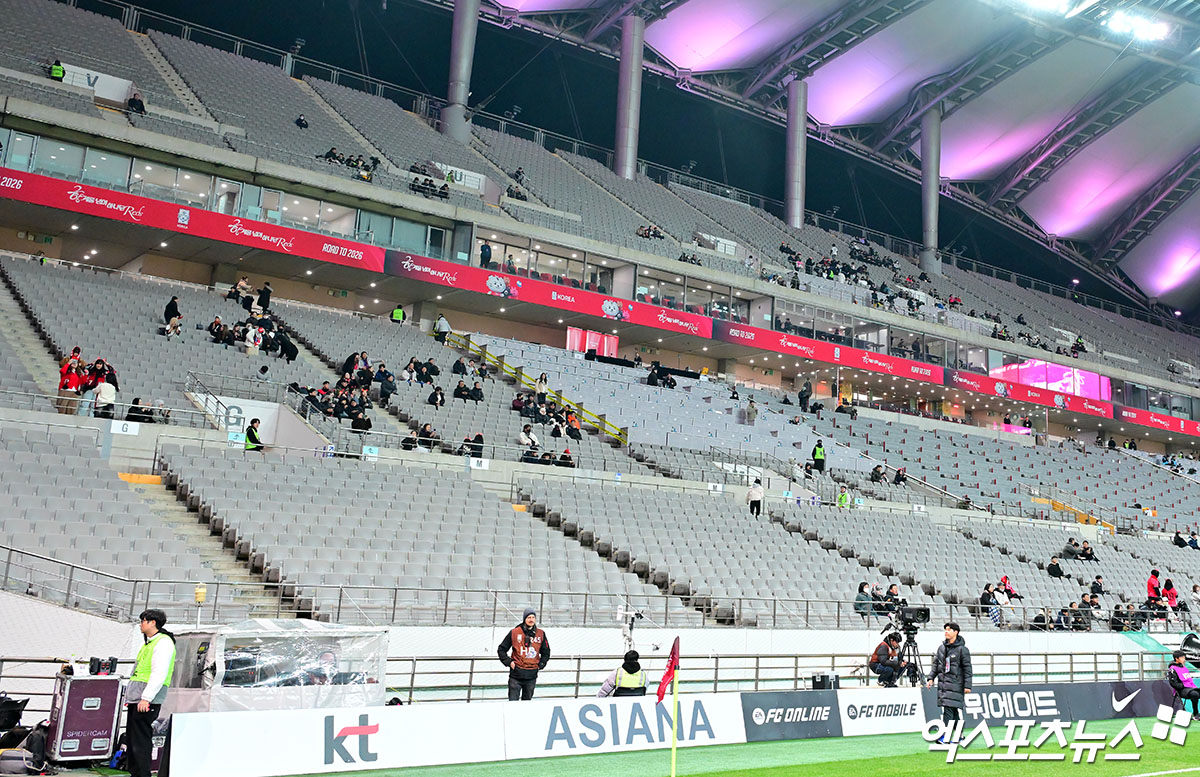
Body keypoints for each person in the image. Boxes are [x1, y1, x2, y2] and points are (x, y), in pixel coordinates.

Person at [125, 609, 176, 777]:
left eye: (143, 621)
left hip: (147, 699)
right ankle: (135, 773)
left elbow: (159, 673)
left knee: (140, 739)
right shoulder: (149, 643)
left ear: (152, 622)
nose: (141, 624)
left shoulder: (163, 642)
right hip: (138, 697)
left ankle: (142, 774)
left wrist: (146, 698)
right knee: (133, 738)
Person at [927, 622, 972, 743]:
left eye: (949, 630)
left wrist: (968, 685)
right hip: (943, 685)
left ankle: (944, 736)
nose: (946, 632)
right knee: (953, 710)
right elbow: (936, 665)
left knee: (948, 710)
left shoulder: (962, 650)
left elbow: (968, 669)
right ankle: (960, 736)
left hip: (956, 685)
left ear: (956, 632)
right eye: (945, 630)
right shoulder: (941, 648)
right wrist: (931, 678)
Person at [497, 608, 549, 701]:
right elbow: (501, 649)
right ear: (524, 619)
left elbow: (546, 652)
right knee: (513, 703)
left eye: (533, 617)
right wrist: (509, 662)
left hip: (531, 675)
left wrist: (541, 664)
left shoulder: (541, 633)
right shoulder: (514, 632)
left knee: (527, 704)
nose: (531, 620)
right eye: (529, 617)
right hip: (516, 675)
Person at [1167, 650, 1200, 721]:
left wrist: (1189, 685)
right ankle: (1196, 714)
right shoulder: (1172, 669)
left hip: (1190, 687)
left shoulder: (1184, 668)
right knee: (1195, 694)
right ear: (1176, 658)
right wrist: (1184, 685)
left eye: (1184, 657)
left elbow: (1189, 679)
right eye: (1182, 657)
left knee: (1196, 692)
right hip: (1181, 690)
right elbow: (1173, 683)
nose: (1184, 659)